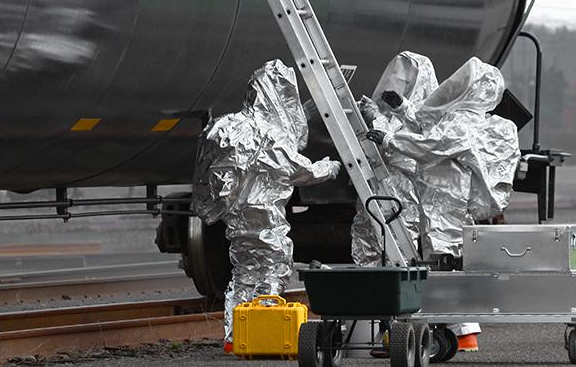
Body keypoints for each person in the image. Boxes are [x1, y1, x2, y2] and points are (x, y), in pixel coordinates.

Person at [367, 57, 520, 352]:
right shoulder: (467, 117)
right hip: (447, 199)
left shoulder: (462, 123)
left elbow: (429, 145)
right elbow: (432, 128)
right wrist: (402, 108)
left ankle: (454, 334)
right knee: (447, 261)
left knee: (442, 262)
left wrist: (388, 139)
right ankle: (460, 333)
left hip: (445, 201)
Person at [192, 60, 342, 351]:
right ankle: (266, 338)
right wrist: (330, 167)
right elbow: (299, 170)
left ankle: (235, 337)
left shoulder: (230, 125)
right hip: (266, 220)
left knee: (243, 274)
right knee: (272, 271)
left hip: (236, 220)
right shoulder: (268, 135)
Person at [351, 51, 438, 266]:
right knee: (368, 237)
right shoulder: (396, 109)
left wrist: (376, 119)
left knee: (398, 242)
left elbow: (404, 145)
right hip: (377, 184)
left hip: (403, 189)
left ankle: (397, 293)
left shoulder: (426, 114)